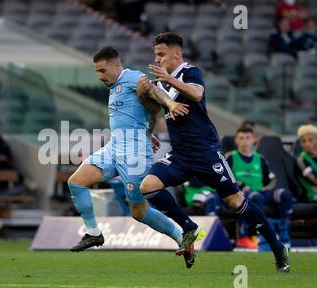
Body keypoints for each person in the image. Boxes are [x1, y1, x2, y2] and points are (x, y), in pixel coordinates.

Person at [137, 32, 290, 272]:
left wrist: (168, 78)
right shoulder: (162, 82)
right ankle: (189, 227)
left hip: (205, 152)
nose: (157, 60)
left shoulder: (190, 72)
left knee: (235, 201)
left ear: (177, 53)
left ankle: (277, 247)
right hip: (180, 154)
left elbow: (196, 94)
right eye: (155, 54)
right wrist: (149, 129)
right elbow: (155, 111)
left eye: (161, 54)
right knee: (148, 186)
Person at [67, 46, 196, 268]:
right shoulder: (115, 86)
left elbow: (155, 93)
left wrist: (171, 104)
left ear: (117, 65)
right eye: (96, 72)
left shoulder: (133, 77)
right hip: (114, 147)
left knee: (139, 211)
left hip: (135, 153)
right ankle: (93, 233)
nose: (99, 76)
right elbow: (144, 111)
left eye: (102, 71)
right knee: (76, 182)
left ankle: (180, 236)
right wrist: (149, 131)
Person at [227, 127, 293, 249]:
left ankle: (283, 232)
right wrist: (240, 185)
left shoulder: (260, 158)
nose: (245, 141)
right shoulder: (231, 157)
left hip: (260, 192)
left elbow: (272, 178)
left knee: (285, 194)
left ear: (254, 140)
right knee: (254, 197)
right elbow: (225, 176)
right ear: (236, 140)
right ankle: (250, 236)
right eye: (241, 138)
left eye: (248, 138)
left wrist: (268, 187)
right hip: (241, 194)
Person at [296, 124, 317, 202]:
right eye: (303, 141)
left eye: (310, 140)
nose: (307, 144)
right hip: (312, 194)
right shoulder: (302, 161)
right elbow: (313, 179)